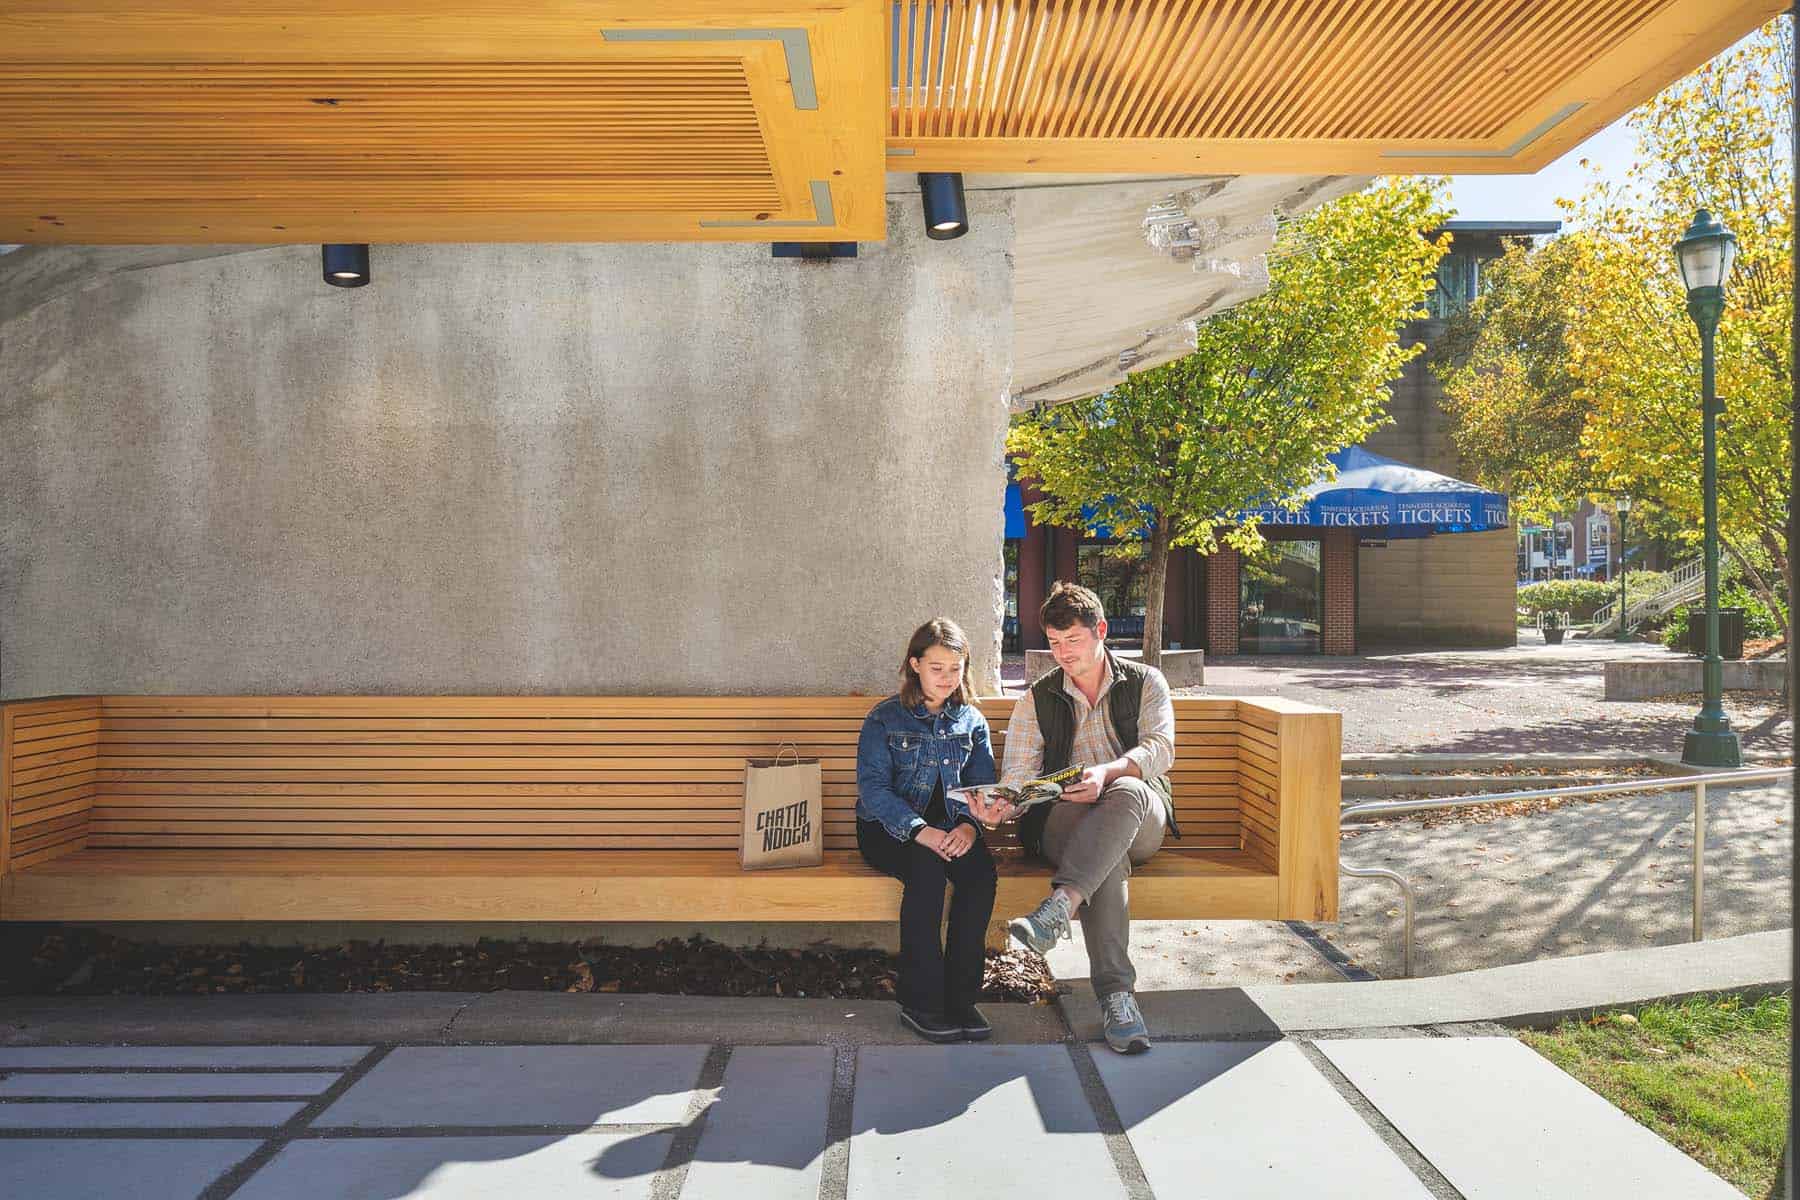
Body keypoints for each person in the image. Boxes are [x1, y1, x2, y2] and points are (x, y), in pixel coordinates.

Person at [970, 582, 1177, 1055]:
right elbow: (1020, 775)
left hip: (1138, 813)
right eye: (1055, 643)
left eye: (1074, 641)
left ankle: (1059, 906)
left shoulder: (1145, 682)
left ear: (1100, 630)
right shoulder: (1035, 700)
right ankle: (1117, 997)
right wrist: (1004, 805)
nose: (1063, 653)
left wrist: (1106, 773)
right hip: (1064, 825)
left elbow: (1160, 749)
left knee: (1124, 791)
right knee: (1105, 861)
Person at [855, 617, 999, 1043]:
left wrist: (972, 828)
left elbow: (981, 788)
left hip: (953, 829)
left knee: (980, 876)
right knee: (928, 870)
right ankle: (921, 1001)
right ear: (915, 664)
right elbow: (874, 791)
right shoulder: (885, 719)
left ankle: (961, 998)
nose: (948, 679)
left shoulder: (970, 721)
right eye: (937, 668)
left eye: (956, 669)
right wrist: (921, 830)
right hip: (889, 830)